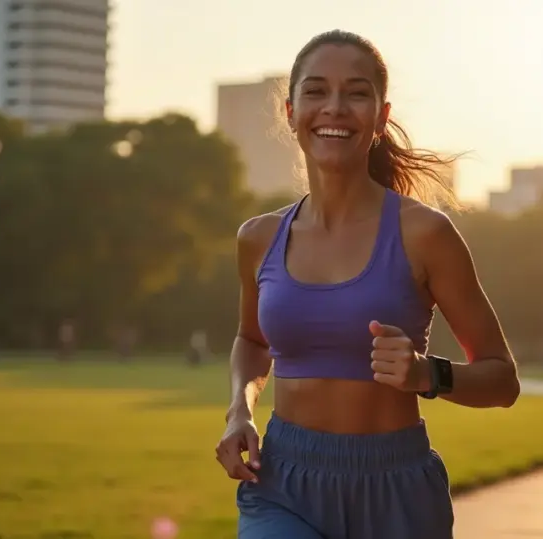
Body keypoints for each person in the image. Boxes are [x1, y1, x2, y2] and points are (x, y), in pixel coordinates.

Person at [215, 29, 520, 539]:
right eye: (316, 91)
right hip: (284, 485)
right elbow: (252, 341)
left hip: (395, 491)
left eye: (356, 93)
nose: (334, 107)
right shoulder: (258, 238)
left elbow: (502, 380)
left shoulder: (426, 235)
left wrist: (428, 375)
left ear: (380, 116)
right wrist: (238, 411)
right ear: (290, 112)